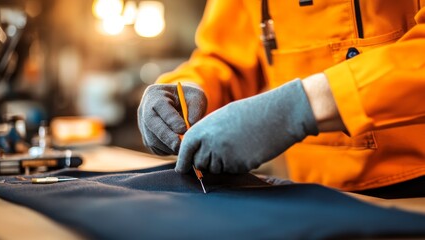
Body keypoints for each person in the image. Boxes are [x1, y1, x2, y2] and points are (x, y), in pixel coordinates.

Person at [138, 0, 425, 197]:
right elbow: (227, 57)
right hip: (302, 192)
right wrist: (187, 87)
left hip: (414, 187)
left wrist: (300, 106)